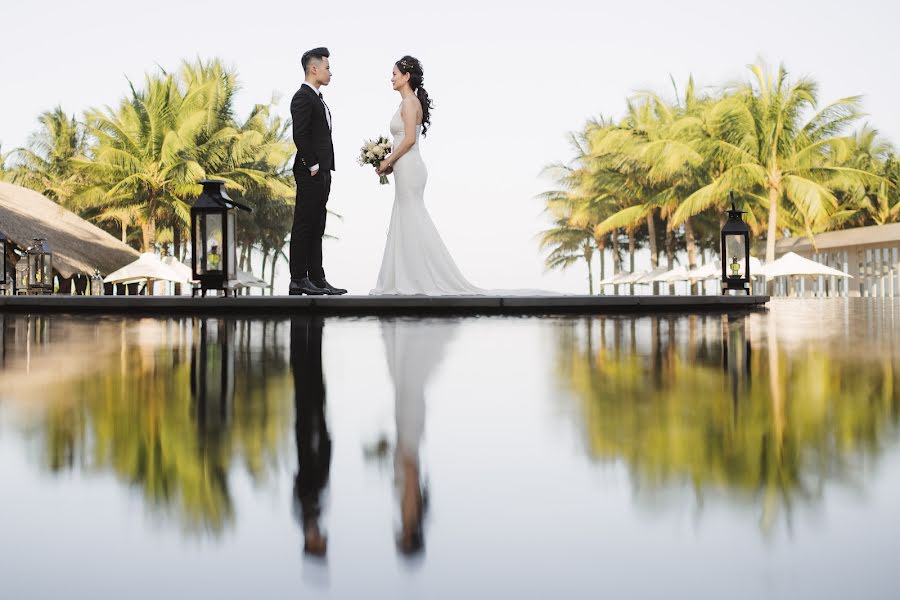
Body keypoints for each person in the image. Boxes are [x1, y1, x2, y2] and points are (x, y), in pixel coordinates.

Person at [370, 56, 484, 296]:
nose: (391, 78)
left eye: (394, 73)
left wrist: (388, 159)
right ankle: (405, 277)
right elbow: (403, 140)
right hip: (404, 166)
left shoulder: (410, 103)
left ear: (406, 76)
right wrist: (389, 164)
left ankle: (418, 279)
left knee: (412, 217)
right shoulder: (405, 103)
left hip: (410, 167)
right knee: (405, 218)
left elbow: (410, 139)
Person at [289, 47, 347, 296]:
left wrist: (323, 169)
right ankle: (298, 279)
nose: (330, 73)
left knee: (317, 224)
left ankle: (317, 278)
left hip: (322, 171)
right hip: (309, 170)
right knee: (304, 223)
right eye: (327, 68)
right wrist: (312, 165)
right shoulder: (302, 97)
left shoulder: (318, 98)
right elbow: (300, 134)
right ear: (314, 69)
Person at [291, 316, 331, 557]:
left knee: (309, 388)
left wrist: (323, 443)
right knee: (314, 387)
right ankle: (309, 331)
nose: (322, 537)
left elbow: (307, 477)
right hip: (314, 437)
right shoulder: (310, 514)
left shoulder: (306, 514)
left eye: (319, 543)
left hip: (310, 437)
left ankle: (305, 331)